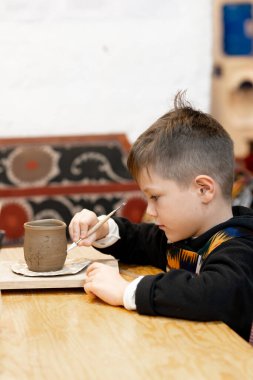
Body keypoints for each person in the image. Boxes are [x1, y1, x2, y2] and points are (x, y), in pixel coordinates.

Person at [69, 91, 253, 343]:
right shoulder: (183, 234)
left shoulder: (240, 245)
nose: (150, 210)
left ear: (204, 190)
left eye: (155, 197)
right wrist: (102, 229)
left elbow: (216, 293)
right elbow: (142, 240)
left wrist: (126, 291)